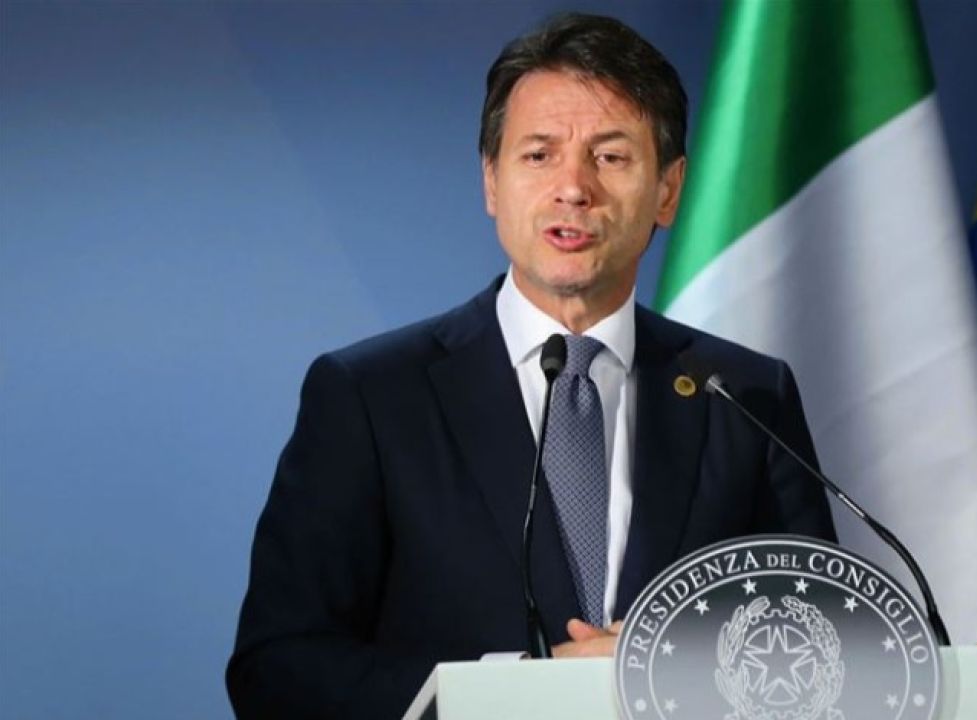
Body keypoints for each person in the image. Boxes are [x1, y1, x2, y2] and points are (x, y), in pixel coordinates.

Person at [226, 12, 835, 719]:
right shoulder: (370, 397)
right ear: (492, 180)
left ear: (668, 190)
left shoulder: (746, 395)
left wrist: (681, 677)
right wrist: (515, 690)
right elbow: (278, 668)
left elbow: (822, 646)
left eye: (611, 157)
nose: (573, 188)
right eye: (539, 155)